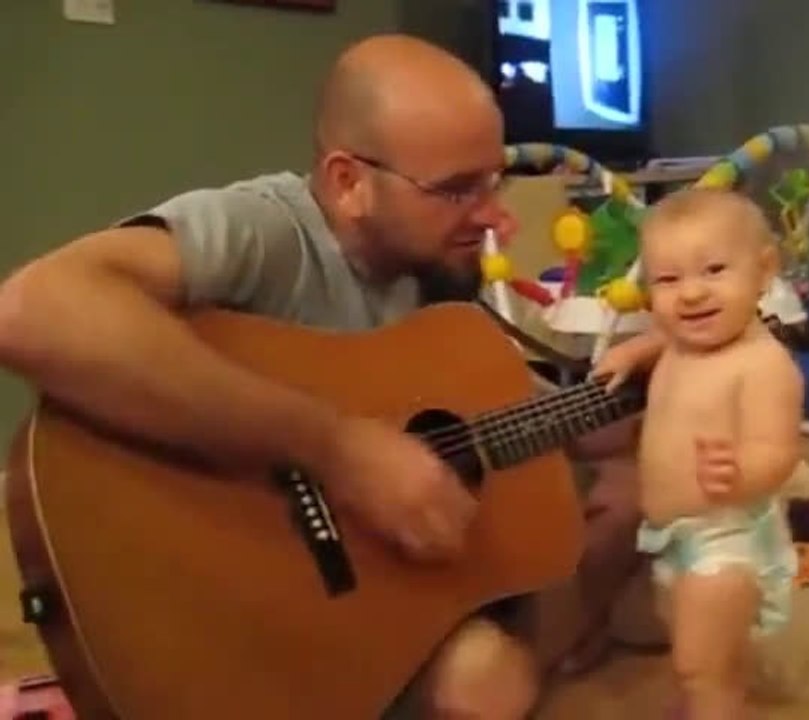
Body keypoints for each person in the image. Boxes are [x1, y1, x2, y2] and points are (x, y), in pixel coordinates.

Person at [0, 34, 658, 719]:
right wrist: (338, 449)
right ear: (349, 183)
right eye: (458, 189)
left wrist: (677, 365)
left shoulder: (437, 287)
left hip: (367, 605)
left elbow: (572, 425)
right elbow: (31, 311)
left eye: (493, 181)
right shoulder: (269, 229)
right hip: (227, 587)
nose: (495, 215)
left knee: (601, 525)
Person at [593, 188, 803, 719]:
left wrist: (740, 472)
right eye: (668, 279)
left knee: (704, 667)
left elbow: (777, 452)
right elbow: (665, 338)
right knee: (693, 653)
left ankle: (712, 704)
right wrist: (635, 349)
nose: (690, 294)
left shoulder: (763, 365)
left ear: (764, 270)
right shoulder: (684, 341)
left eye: (713, 270)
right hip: (673, 535)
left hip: (725, 536)